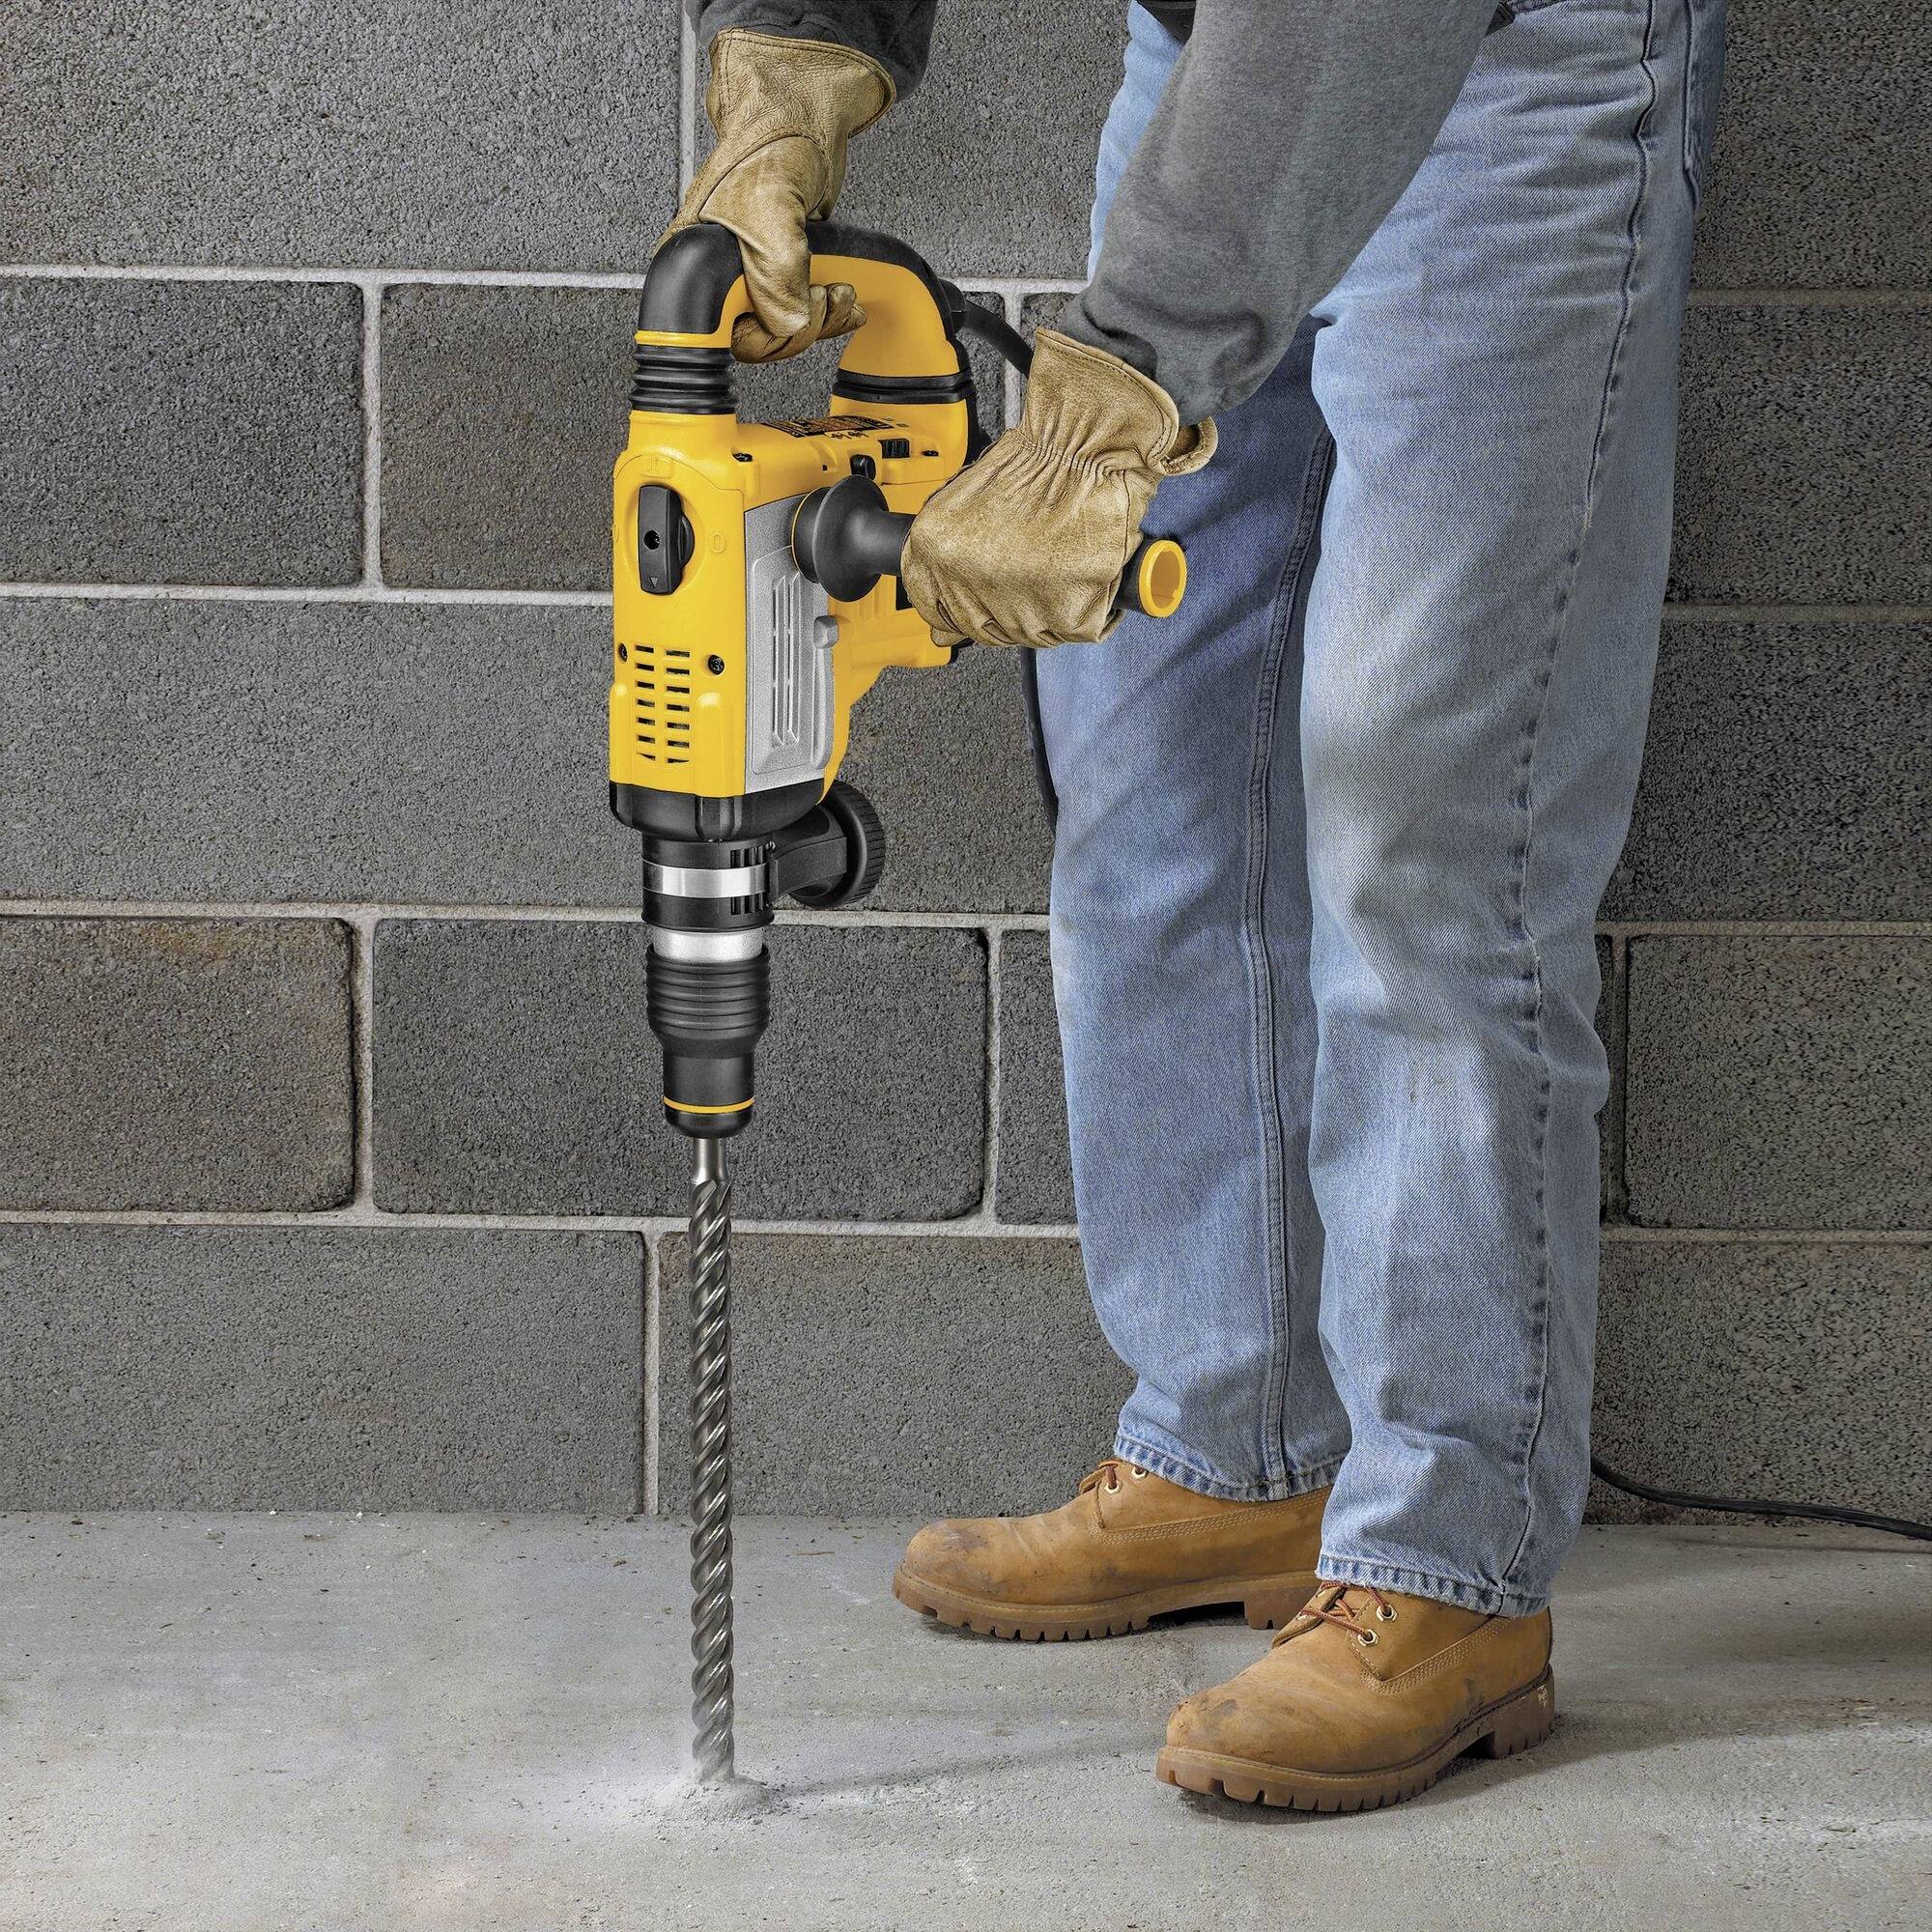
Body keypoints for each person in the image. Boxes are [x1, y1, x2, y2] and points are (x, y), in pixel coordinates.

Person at [666, 0, 1723, 1811]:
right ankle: (1239, 1450)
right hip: (1216, 60)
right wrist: (794, 59)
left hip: (1503, 68)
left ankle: (1447, 1569)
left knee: (1425, 815)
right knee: (1146, 757)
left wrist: (1131, 372)